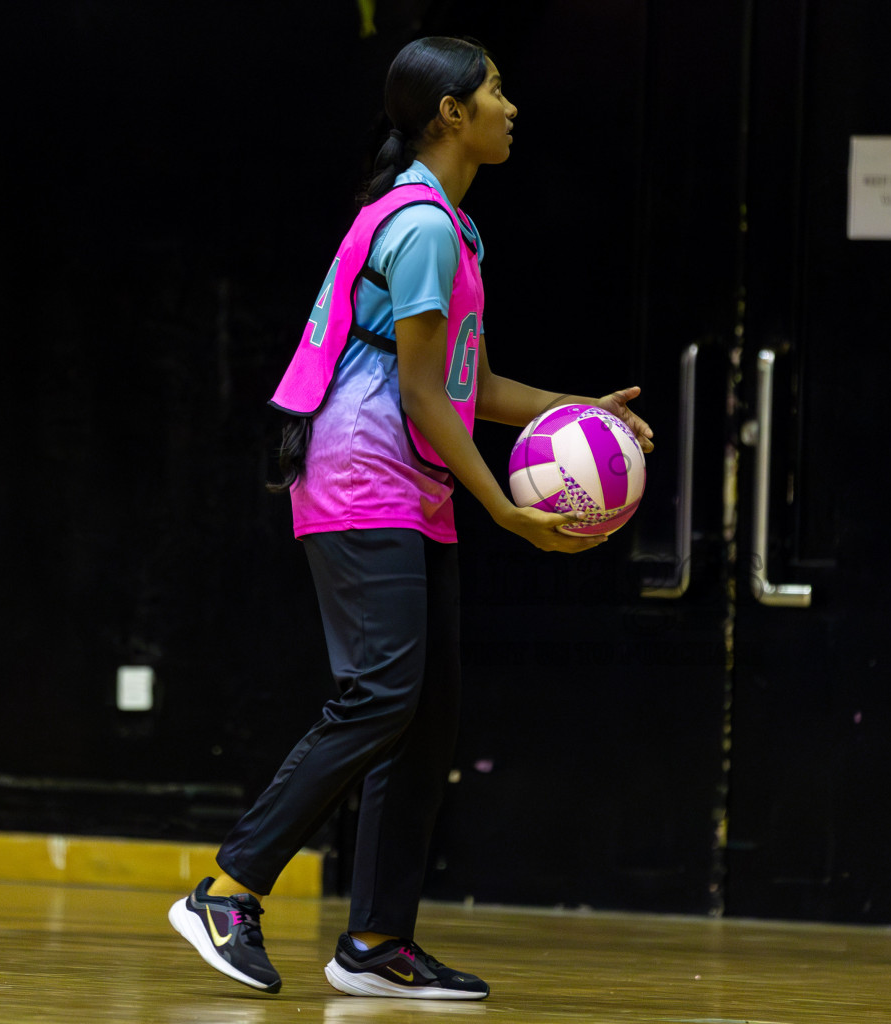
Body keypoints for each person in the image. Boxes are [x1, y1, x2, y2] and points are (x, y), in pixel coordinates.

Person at [167, 36, 653, 1000]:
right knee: (380, 698)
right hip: (362, 478)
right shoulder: (424, 227)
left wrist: (579, 410)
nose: (513, 109)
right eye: (497, 92)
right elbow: (427, 400)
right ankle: (226, 892)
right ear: (450, 116)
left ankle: (377, 944)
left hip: (411, 484)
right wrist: (506, 509)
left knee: (424, 723)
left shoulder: (450, 229)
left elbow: (464, 384)